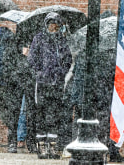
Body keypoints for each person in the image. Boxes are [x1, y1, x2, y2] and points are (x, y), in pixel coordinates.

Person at [28, 12, 72, 159]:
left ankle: (52, 146)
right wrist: (39, 73)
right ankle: (41, 145)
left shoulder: (62, 41)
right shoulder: (39, 39)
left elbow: (67, 59)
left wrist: (61, 72)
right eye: (51, 23)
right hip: (42, 83)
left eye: (56, 24)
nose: (54, 26)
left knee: (54, 114)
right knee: (40, 113)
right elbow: (32, 59)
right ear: (47, 24)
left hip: (56, 83)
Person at [0, 26, 23, 153]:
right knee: (12, 112)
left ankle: (12, 141)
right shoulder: (14, 46)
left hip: (6, 84)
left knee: (8, 112)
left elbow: (3, 64)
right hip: (12, 84)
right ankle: (13, 140)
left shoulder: (4, 48)